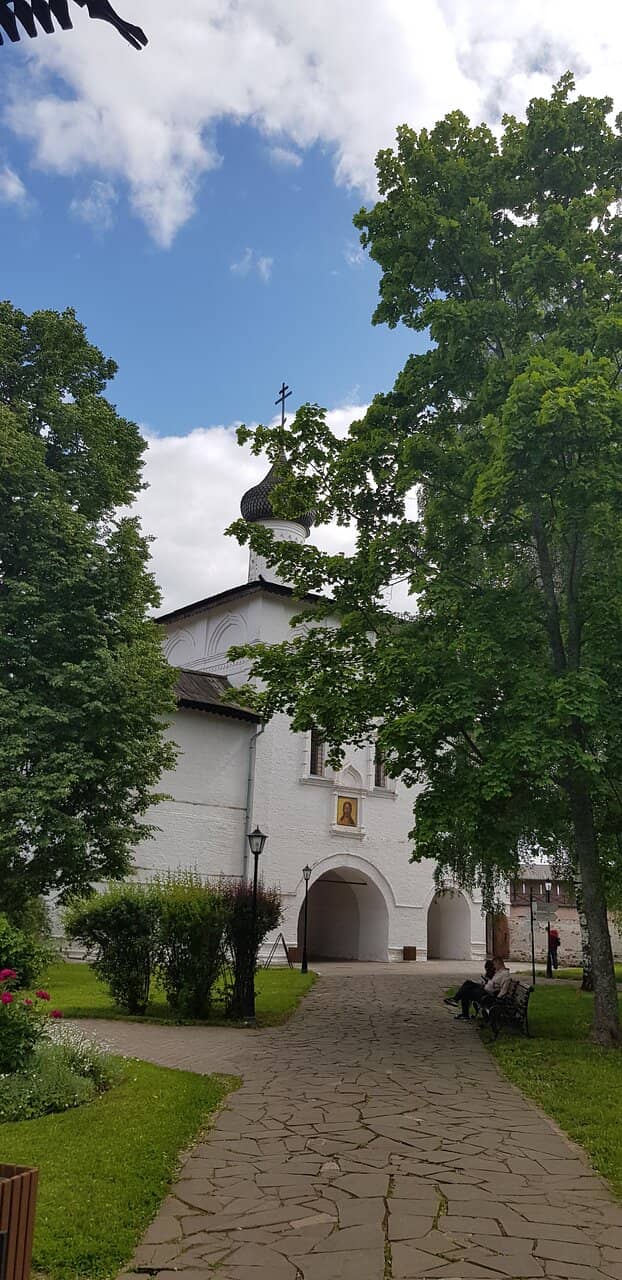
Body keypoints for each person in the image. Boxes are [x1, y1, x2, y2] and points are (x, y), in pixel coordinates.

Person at [444, 957, 511, 1020]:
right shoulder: (499, 972)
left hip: (488, 996)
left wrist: (497, 998)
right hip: (484, 990)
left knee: (466, 991)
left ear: (498, 963)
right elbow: (493, 983)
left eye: (494, 964)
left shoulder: (505, 975)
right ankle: (456, 1002)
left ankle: (458, 1004)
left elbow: (504, 989)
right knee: (468, 983)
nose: (494, 967)